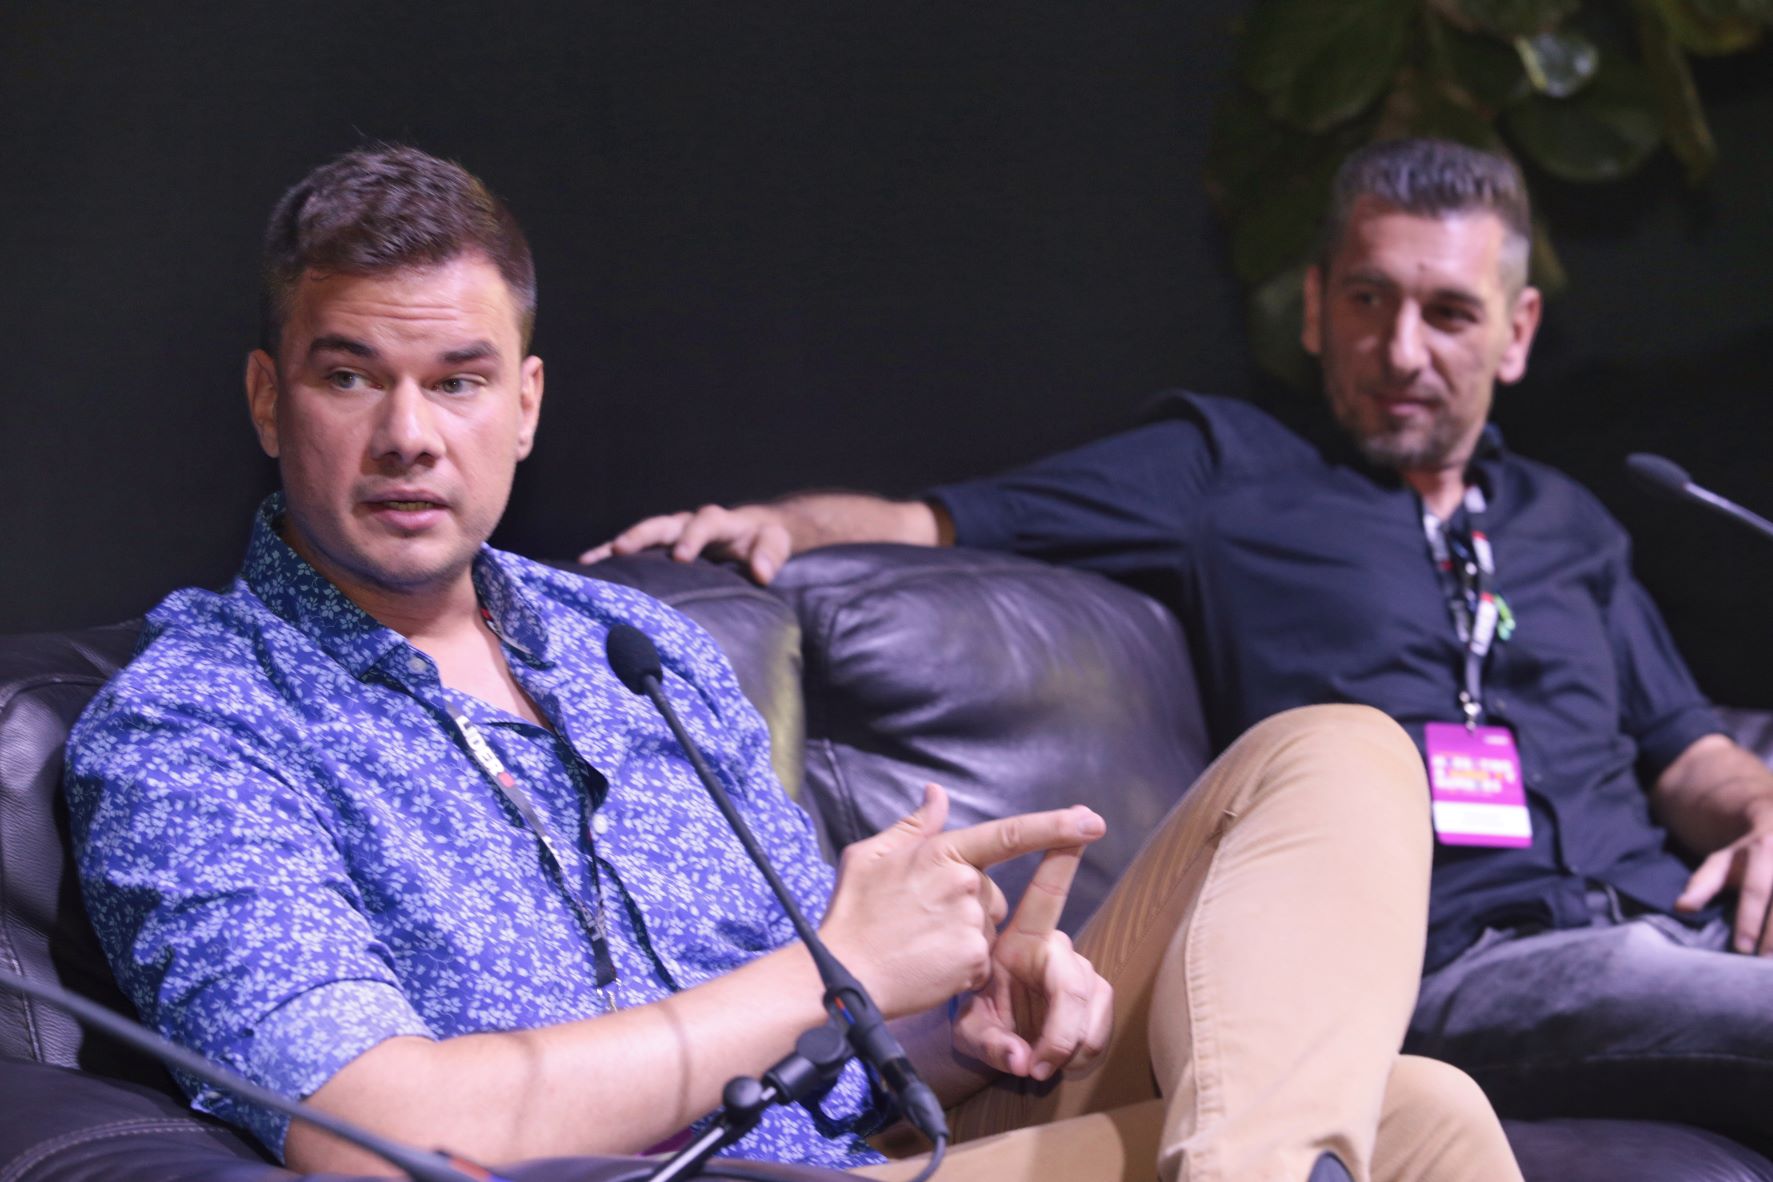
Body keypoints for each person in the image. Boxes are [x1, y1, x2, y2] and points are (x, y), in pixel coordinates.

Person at [64, 144, 1521, 1182]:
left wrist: (963, 1028)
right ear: (269, 400)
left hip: (871, 1147)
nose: (408, 436)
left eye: (457, 381)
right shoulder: (195, 724)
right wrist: (838, 972)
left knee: (1343, 770)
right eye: (349, 376)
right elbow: (367, 1125)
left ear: (526, 405)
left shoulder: (630, 647)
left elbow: (832, 1040)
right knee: (1418, 1122)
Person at [591, 137, 1773, 1148]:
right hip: (1468, 955)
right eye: (1369, 301)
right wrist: (781, 525)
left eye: (1449, 314)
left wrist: (1760, 809)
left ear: (1516, 332)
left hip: (1669, 919)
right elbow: (935, 519)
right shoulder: (1229, 473)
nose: (1404, 350)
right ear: (1315, 307)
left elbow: (1687, 750)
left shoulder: (1572, 522)